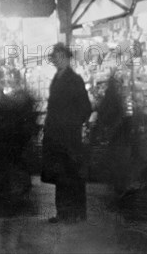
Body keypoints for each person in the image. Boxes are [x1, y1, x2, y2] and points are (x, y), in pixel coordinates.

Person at [0, 87, 37, 254]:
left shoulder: (6, 121)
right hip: (5, 177)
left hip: (7, 177)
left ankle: (2, 247)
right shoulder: (14, 121)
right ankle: (4, 247)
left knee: (1, 217)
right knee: (2, 218)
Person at [41, 43, 92, 223]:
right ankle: (63, 212)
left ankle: (75, 213)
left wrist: (71, 124)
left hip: (69, 138)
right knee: (61, 176)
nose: (55, 61)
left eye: (58, 57)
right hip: (57, 137)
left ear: (66, 57)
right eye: (54, 57)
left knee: (71, 176)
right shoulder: (57, 78)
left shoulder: (74, 79)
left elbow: (86, 108)